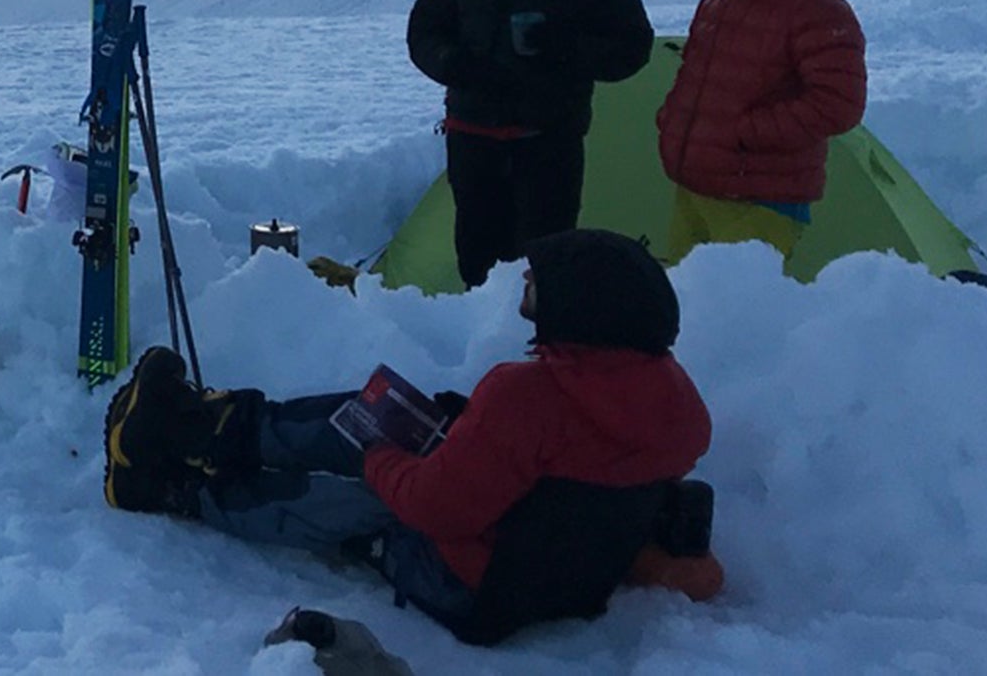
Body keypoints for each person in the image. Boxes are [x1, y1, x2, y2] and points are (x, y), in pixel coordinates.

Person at [103, 229, 721, 646]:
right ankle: (204, 428)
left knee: (358, 498)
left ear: (586, 307)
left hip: (469, 586)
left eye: (541, 277)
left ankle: (170, 487)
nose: (527, 279)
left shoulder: (528, 396)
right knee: (376, 414)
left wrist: (381, 457)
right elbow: (568, 468)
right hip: (541, 571)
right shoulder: (674, 400)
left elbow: (435, 507)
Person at [406, 0, 654, 288]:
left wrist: (569, 50)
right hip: (474, 136)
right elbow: (424, 32)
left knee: (548, 257)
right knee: (478, 252)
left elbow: (633, 47)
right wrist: (457, 65)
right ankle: (488, 341)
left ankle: (545, 346)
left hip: (549, 138)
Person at [658, 0, 867, 264]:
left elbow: (839, 103)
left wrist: (744, 132)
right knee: (685, 307)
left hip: (763, 200)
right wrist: (673, 120)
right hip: (697, 187)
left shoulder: (815, 7)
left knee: (733, 312)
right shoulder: (719, 1)